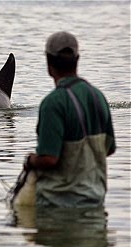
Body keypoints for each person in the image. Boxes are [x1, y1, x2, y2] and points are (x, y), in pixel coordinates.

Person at [24, 31, 116, 208]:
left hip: (57, 205)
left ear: (49, 63)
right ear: (77, 59)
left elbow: (49, 159)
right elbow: (109, 149)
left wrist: (31, 160)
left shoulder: (53, 103)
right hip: (95, 202)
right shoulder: (98, 97)